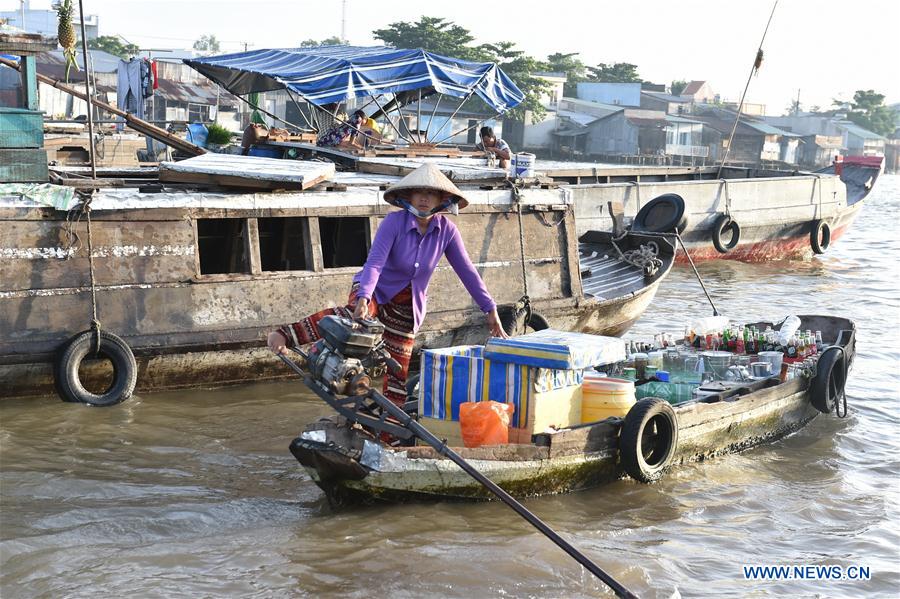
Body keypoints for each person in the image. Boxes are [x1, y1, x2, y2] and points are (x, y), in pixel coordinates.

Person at [267, 163, 508, 408]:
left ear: (442, 199)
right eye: (419, 192)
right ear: (409, 196)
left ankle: (388, 430)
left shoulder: (447, 231)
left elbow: (467, 272)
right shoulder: (394, 222)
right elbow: (374, 263)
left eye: (431, 193)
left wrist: (490, 309)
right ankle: (284, 334)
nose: (424, 198)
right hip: (374, 290)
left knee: (398, 369)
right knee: (351, 319)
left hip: (408, 304)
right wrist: (363, 298)